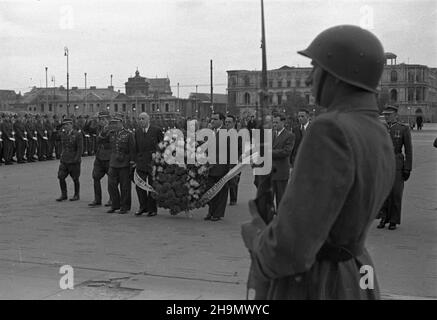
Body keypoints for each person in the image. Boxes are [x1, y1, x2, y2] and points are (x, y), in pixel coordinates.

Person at [241, 25, 396, 300]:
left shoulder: (329, 129)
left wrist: (258, 238)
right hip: (355, 273)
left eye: (316, 67)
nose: (311, 78)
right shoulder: (375, 128)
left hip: (317, 283)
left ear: (336, 76)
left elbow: (291, 248)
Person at [377, 105, 413, 230]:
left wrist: (408, 168)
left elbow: (408, 150)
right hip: (382, 163)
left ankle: (393, 220)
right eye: (385, 115)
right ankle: (383, 217)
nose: (386, 117)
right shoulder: (380, 128)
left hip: (397, 163)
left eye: (389, 114)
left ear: (396, 115)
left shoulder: (403, 129)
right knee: (382, 193)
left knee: (396, 193)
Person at [133, 112, 163, 216]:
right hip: (141, 162)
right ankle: (143, 206)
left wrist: (159, 159)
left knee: (152, 185)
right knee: (139, 185)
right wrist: (135, 160)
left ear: (148, 120)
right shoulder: (137, 132)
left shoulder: (156, 130)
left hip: (152, 162)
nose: (141, 121)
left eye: (143, 119)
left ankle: (152, 209)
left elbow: (162, 145)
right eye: (139, 119)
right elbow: (135, 147)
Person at [107, 116, 135, 214]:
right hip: (113, 162)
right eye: (113, 123)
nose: (114, 125)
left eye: (116, 123)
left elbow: (132, 149)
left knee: (125, 186)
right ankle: (115, 204)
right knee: (111, 184)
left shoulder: (128, 134)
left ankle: (125, 206)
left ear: (121, 123)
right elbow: (101, 140)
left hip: (124, 163)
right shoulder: (111, 134)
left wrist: (132, 162)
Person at [204, 112, 229, 222]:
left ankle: (218, 213)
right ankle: (211, 211)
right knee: (210, 190)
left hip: (222, 167)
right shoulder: (210, 133)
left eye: (215, 119)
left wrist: (229, 168)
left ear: (221, 121)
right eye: (211, 119)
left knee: (221, 192)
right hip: (210, 167)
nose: (212, 121)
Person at [89, 111, 113, 207]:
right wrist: (92, 120)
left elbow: (109, 141)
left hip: (108, 156)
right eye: (100, 119)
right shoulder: (98, 128)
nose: (101, 121)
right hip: (99, 156)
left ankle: (112, 198)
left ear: (108, 120)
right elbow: (88, 129)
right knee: (95, 177)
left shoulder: (111, 129)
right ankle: (97, 199)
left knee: (111, 179)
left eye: (103, 119)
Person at [56, 118, 83, 201]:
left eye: (67, 125)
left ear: (71, 125)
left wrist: (77, 158)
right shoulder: (63, 134)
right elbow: (55, 138)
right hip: (64, 159)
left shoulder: (77, 134)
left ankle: (76, 194)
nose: (65, 126)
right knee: (61, 176)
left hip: (74, 159)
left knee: (75, 178)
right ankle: (64, 194)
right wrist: (58, 128)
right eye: (64, 125)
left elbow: (80, 148)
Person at [271, 114, 294, 209]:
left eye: (276, 122)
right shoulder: (271, 134)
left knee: (280, 198)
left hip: (281, 171)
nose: (274, 124)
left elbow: (286, 151)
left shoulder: (289, 135)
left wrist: (269, 152)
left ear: (283, 122)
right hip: (270, 172)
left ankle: (280, 218)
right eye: (273, 122)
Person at [225, 114, 241, 206]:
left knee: (233, 181)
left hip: (234, 160)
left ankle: (233, 199)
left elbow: (240, 149)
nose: (227, 124)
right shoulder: (223, 133)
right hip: (224, 160)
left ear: (234, 123)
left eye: (229, 122)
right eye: (226, 122)